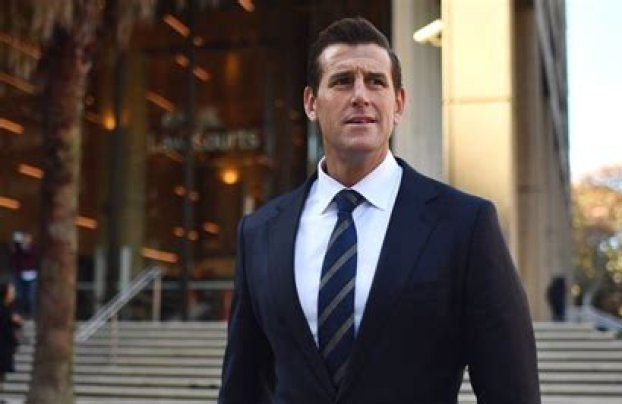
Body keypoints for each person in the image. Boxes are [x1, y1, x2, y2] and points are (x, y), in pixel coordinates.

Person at [219, 17, 539, 404]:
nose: (360, 96)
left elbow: (511, 390)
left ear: (398, 103)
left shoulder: (464, 225)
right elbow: (242, 386)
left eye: (375, 82)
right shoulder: (259, 233)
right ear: (310, 103)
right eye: (342, 81)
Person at [0, 282, 22, 399]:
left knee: (2, 373)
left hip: (6, 346)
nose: (13, 294)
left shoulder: (11, 308)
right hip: (2, 346)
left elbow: (16, 323)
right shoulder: (3, 309)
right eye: (11, 292)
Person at [10, 232, 38, 317]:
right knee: (20, 296)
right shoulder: (17, 249)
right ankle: (20, 314)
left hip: (32, 275)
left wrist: (24, 247)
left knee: (30, 297)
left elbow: (29, 253)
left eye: (27, 239)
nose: (25, 240)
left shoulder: (33, 248)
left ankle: (31, 315)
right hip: (20, 275)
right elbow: (15, 259)